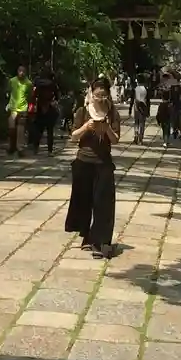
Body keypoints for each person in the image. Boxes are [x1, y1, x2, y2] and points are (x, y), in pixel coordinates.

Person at [65, 76, 122, 258]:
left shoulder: (112, 113)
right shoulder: (82, 111)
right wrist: (86, 127)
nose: (100, 99)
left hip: (103, 163)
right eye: (97, 95)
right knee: (84, 201)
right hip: (83, 161)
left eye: (104, 96)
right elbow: (73, 137)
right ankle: (87, 236)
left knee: (102, 203)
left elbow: (116, 140)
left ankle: (100, 241)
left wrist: (107, 129)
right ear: (91, 94)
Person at [28, 68, 59, 156]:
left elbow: (34, 95)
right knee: (50, 131)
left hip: (39, 107)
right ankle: (49, 151)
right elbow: (57, 96)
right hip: (49, 108)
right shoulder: (53, 84)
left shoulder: (38, 83)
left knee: (39, 130)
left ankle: (36, 148)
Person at [6, 64, 33, 155]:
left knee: (20, 129)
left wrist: (27, 105)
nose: (21, 73)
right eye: (20, 71)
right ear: (17, 72)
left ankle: (20, 148)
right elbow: (8, 91)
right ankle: (12, 146)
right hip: (13, 108)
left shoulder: (28, 83)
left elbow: (30, 95)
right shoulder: (12, 81)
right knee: (11, 129)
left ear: (25, 73)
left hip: (22, 108)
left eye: (23, 71)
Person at [131, 77, 150, 144]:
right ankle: (140, 139)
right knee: (142, 123)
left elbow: (132, 99)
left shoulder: (135, 89)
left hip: (136, 108)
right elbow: (148, 101)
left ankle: (136, 136)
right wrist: (148, 110)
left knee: (136, 123)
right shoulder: (146, 89)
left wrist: (130, 109)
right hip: (143, 108)